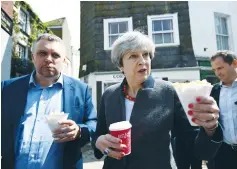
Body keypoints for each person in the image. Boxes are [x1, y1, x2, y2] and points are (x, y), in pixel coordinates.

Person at [92, 31, 223, 169]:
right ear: (121, 66)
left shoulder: (168, 91)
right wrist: (98, 142)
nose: (142, 61)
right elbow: (98, 134)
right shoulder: (109, 94)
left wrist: (210, 128)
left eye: (146, 54)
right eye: (133, 56)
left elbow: (195, 145)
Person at [1, 33, 97, 169]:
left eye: (55, 55)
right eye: (42, 53)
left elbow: (94, 123)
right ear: (33, 57)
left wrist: (79, 130)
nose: (48, 59)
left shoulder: (80, 90)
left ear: (64, 60)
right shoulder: (7, 89)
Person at [208, 51, 237, 169]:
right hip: (224, 153)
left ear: (234, 63)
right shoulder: (213, 91)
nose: (217, 73)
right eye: (214, 70)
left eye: (220, 68)